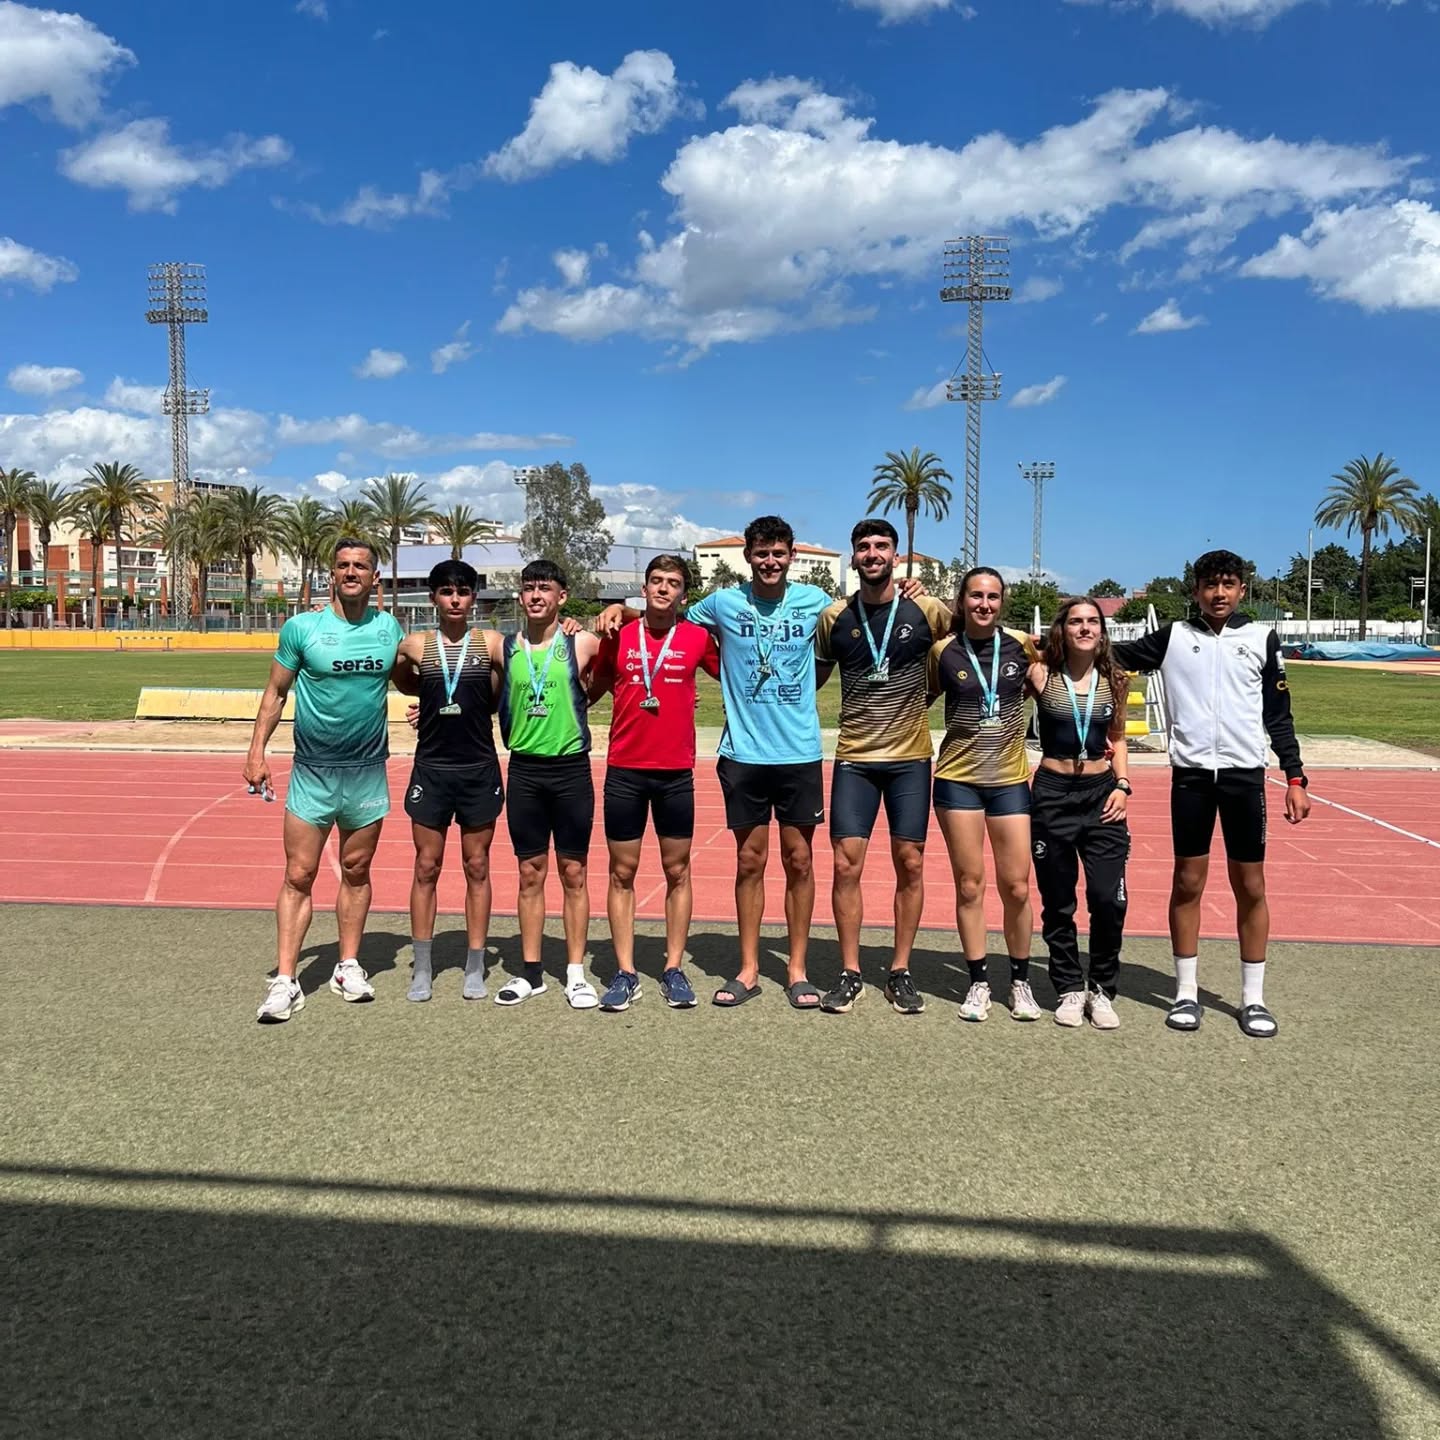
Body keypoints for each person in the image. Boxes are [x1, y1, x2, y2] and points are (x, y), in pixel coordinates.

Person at [1113, 549, 1309, 1038]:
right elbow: (1104, 652)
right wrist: (1042, 642)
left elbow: (1278, 717)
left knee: (1252, 887)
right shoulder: (1173, 637)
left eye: (1228, 585)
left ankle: (1253, 999)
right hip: (1193, 778)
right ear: (1195, 590)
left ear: (1242, 589)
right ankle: (1185, 992)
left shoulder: (1261, 637)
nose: (1218, 594)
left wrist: (1295, 777)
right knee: (1188, 882)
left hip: (1245, 778)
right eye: (1209, 585)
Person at [247, 539, 404, 1023]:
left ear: (375, 578)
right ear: (331, 573)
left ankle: (348, 966)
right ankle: (286, 980)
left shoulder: (388, 628)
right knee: (298, 874)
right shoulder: (302, 628)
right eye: (343, 565)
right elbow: (276, 692)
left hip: (366, 774)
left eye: (361, 566)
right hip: (312, 773)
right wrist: (256, 751)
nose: (351, 572)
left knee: (357, 870)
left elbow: (416, 676)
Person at [814, 519, 955, 1015]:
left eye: (882, 546)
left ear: (896, 556)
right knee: (844, 865)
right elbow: (811, 677)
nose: (872, 553)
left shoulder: (929, 608)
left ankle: (900, 970)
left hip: (910, 759)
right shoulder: (833, 618)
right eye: (863, 547)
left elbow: (970, 647)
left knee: (910, 864)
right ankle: (850, 971)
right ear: (853, 558)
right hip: (854, 758)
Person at [588, 555, 720, 1011]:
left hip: (675, 773)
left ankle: (673, 967)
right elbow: (594, 686)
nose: (664, 589)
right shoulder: (617, 634)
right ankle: (625, 972)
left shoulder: (699, 638)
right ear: (643, 589)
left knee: (677, 871)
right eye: (657, 581)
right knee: (621, 873)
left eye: (674, 583)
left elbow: (734, 673)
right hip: (625, 770)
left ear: (684, 594)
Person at [927, 567, 1043, 1023]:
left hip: (1010, 780)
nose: (984, 604)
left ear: (1002, 602)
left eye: (993, 597)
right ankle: (977, 981)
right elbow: (918, 699)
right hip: (957, 780)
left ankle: (1020, 981)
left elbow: (1052, 684)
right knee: (969, 884)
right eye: (976, 596)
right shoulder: (942, 651)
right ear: (961, 601)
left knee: (1016, 885)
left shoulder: (1022, 644)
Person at [392, 560, 505, 1003]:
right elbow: (403, 680)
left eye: (463, 591)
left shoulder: (491, 642)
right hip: (432, 770)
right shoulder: (415, 646)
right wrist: (426, 703)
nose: (455, 599)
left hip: (478, 768)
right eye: (446, 591)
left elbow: (507, 684)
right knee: (426, 867)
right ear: (433, 598)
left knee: (477, 867)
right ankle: (423, 966)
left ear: (474, 597)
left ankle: (475, 964)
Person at [495, 559, 605, 1010]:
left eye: (546, 589)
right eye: (529, 588)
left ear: (562, 597)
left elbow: (633, 634)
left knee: (574, 873)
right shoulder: (505, 647)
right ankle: (532, 972)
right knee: (529, 874)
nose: (536, 595)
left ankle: (576, 973)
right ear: (521, 596)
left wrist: (616, 609)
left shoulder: (580, 642)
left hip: (570, 770)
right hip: (524, 770)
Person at [1027, 597, 1133, 1030]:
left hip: (1102, 793)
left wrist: (1123, 786)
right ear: (1062, 630)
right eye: (1076, 622)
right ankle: (1070, 986)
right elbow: (1007, 644)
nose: (1085, 628)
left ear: (1102, 632)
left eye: (1093, 621)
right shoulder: (1041, 674)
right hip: (1052, 792)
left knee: (1108, 899)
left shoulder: (1116, 680)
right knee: (1058, 901)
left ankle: (1102, 988)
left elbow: (1119, 737)